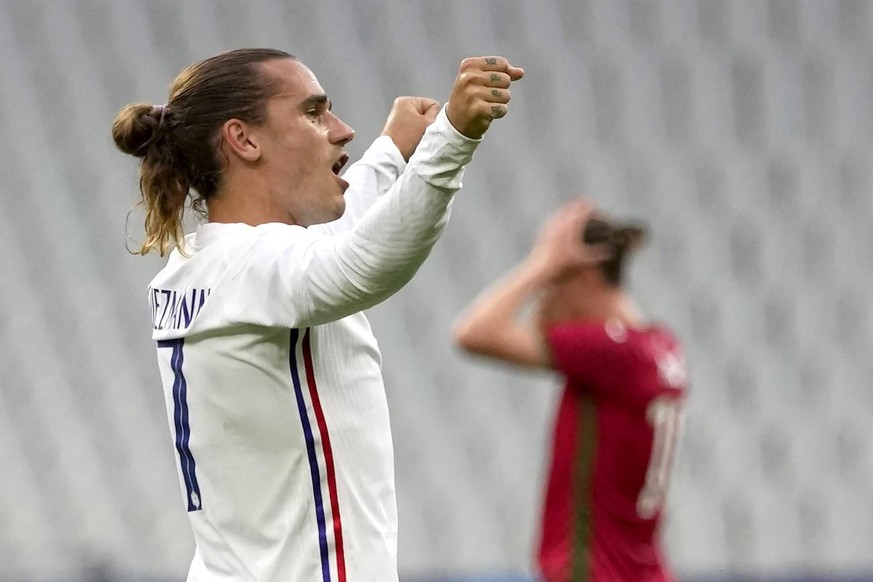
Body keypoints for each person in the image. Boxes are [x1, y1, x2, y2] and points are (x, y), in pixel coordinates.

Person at [111, 48, 523, 581]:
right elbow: (366, 260)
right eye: (313, 112)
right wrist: (453, 139)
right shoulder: (253, 269)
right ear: (244, 139)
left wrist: (393, 152)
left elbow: (332, 242)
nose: (342, 129)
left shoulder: (205, 264)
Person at [453, 200, 686, 582]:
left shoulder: (607, 352)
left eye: (554, 284)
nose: (544, 299)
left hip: (594, 571)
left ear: (585, 275)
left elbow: (473, 333)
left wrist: (539, 267)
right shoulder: (662, 347)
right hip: (645, 571)